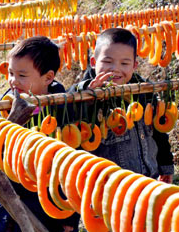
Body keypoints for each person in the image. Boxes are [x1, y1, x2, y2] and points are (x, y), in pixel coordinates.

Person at [0, 36, 80, 232]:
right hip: (7, 202)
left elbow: (72, 167)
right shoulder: (1, 107)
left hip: (48, 205)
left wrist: (71, 217)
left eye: (22, 75)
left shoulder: (64, 110)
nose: (13, 81)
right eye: (10, 73)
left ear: (48, 78)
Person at [68, 28, 174, 183]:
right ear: (93, 62)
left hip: (149, 180)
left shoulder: (144, 90)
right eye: (107, 61)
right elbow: (73, 127)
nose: (115, 69)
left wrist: (165, 165)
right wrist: (89, 98)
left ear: (134, 66)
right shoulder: (82, 94)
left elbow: (158, 132)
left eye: (124, 63)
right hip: (109, 187)